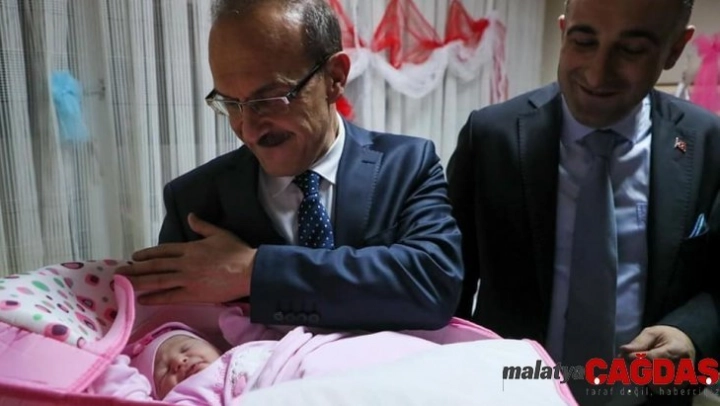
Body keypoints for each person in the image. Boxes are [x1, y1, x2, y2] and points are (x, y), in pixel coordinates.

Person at [116, 0, 463, 332]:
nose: (249, 130)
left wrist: (252, 271)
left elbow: (433, 284)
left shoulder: (407, 166)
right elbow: (165, 324)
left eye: (270, 99)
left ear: (335, 78)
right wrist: (174, 341)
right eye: (231, 104)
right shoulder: (193, 202)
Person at [447, 0, 719, 404]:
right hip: (507, 392)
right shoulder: (490, 136)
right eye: (583, 41)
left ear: (675, 49)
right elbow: (450, 282)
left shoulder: (708, 144)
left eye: (631, 50)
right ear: (563, 32)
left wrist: (691, 332)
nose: (597, 73)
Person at [88, 316, 439, 403]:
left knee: (380, 353)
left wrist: (238, 324)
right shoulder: (190, 396)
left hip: (304, 351)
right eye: (163, 370)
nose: (180, 363)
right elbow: (130, 398)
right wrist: (109, 363)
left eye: (184, 348)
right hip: (286, 384)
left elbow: (272, 341)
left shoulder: (237, 352)